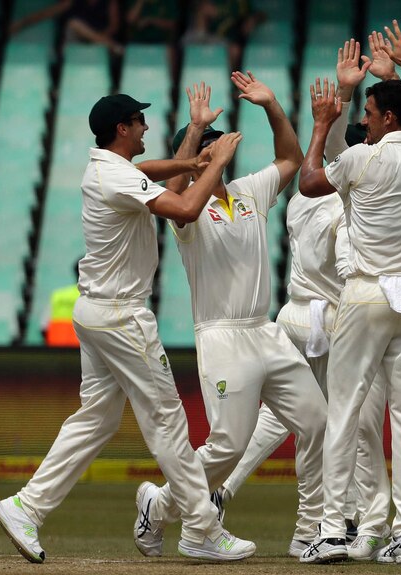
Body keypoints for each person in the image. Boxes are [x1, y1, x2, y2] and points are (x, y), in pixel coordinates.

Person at [0, 88, 254, 563]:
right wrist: (215, 161)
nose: (146, 129)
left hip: (97, 312)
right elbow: (186, 208)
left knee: (98, 418)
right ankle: (203, 529)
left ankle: (26, 506)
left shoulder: (106, 167)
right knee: (169, 424)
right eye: (139, 122)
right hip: (121, 314)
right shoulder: (115, 178)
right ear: (122, 129)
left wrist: (194, 138)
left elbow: (154, 173)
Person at [133, 71, 328, 561]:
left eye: (223, 144)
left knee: (318, 423)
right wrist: (197, 134)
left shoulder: (246, 192)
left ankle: (309, 531)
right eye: (212, 146)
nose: (224, 150)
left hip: (265, 331)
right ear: (197, 155)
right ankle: (160, 508)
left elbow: (288, 158)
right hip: (222, 338)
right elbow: (178, 204)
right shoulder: (185, 207)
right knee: (226, 446)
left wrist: (271, 106)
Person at [298, 20, 401, 565]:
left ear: (386, 116)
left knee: (343, 411)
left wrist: (324, 122)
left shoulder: (363, 158)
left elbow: (309, 181)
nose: (361, 122)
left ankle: (333, 530)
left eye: (366, 114)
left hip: (365, 294)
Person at [11, 0, 124, 55]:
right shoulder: (73, 1)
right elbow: (47, 13)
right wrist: (22, 23)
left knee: (76, 26)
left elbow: (113, 27)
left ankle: (108, 44)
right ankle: (113, 46)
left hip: (100, 46)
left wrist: (95, 40)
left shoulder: (109, 1)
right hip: (76, 45)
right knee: (74, 24)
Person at [40, 257, 83, 347]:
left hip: (56, 350)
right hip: (82, 352)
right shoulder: (95, 297)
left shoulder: (58, 295)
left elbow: (43, 327)